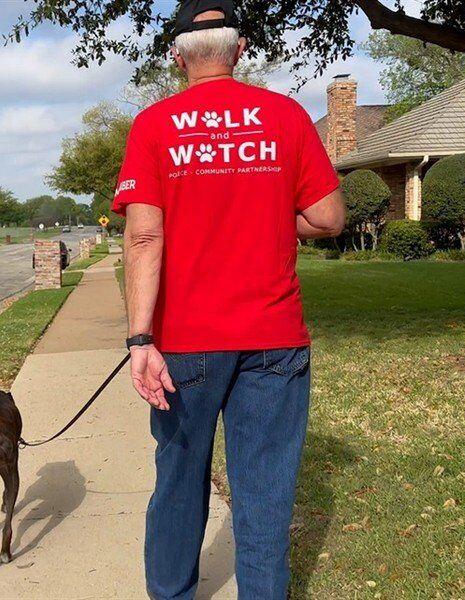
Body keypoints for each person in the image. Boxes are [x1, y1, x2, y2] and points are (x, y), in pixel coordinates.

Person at [112, 1, 345, 598]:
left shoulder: (154, 126)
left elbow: (142, 235)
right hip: (273, 340)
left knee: (179, 486)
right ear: (240, 51)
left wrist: (140, 338)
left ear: (177, 55)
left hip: (184, 343)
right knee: (264, 499)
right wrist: (270, 218)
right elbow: (328, 217)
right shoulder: (286, 117)